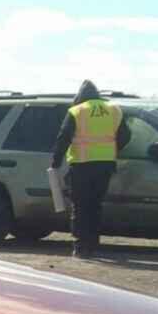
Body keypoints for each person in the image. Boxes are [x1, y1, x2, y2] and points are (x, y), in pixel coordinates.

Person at [50, 80, 130, 258]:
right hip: (105, 165)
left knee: (80, 206)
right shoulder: (113, 110)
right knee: (95, 205)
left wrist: (55, 161)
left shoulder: (77, 111)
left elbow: (64, 137)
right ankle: (93, 244)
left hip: (81, 164)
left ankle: (80, 246)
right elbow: (125, 135)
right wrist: (113, 149)